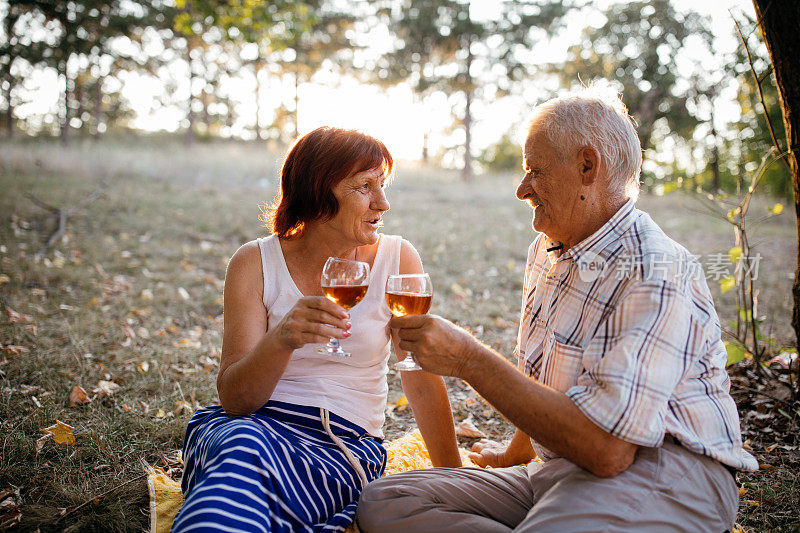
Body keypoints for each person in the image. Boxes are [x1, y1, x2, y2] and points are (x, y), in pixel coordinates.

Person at [356, 87, 758, 532]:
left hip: (665, 471)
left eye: (535, 171)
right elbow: (549, 376)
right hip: (561, 470)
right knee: (386, 501)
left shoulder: (654, 270)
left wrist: (469, 359)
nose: (521, 188)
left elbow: (608, 450)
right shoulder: (548, 249)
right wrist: (515, 454)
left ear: (588, 166)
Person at [171, 126, 462, 533]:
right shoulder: (254, 262)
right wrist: (282, 338)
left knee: (274, 487)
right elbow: (236, 400)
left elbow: (419, 374)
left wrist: (456, 478)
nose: (384, 202)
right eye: (365, 186)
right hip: (252, 425)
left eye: (383, 184)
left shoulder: (397, 257)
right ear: (318, 192)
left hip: (342, 442)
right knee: (242, 451)